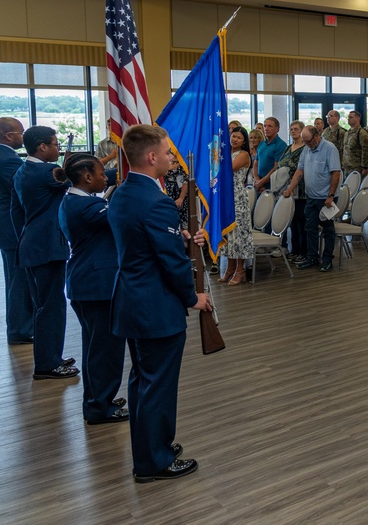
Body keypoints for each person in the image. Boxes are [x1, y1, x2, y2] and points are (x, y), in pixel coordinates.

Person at [109, 124, 211, 483]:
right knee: (158, 388)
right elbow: (171, 264)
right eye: (168, 153)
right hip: (155, 307)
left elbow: (145, 245)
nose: (171, 158)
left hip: (132, 301)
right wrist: (192, 297)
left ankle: (151, 447)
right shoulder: (157, 202)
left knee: (142, 382)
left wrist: (180, 236)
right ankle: (154, 461)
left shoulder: (123, 193)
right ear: (152, 157)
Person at [58, 154, 126, 424]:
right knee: (105, 351)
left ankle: (99, 398)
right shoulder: (86, 207)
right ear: (87, 177)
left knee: (95, 348)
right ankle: (100, 407)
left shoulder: (73, 199)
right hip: (96, 286)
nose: (105, 177)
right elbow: (120, 214)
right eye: (100, 173)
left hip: (85, 283)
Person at [13, 125, 77, 380]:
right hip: (46, 247)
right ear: (42, 147)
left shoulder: (23, 170)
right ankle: (48, 365)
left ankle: (49, 356)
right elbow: (81, 178)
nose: (58, 148)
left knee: (44, 306)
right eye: (55, 144)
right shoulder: (45, 172)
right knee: (51, 307)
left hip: (33, 244)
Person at [0, 116, 34, 345]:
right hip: (12, 228)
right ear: (8, 136)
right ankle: (21, 329)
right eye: (20, 132)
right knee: (19, 282)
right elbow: (25, 189)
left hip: (6, 227)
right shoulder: (7, 160)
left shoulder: (0, 156)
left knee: (17, 280)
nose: (23, 136)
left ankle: (22, 326)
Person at [282, 126, 341, 273]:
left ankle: (327, 259)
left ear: (316, 136)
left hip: (326, 198)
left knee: (327, 229)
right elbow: (299, 170)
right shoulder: (306, 149)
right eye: (305, 142)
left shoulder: (330, 148)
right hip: (311, 197)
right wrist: (290, 189)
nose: (307, 144)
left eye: (308, 141)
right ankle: (312, 257)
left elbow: (335, 173)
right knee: (310, 228)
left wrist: (331, 195)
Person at [219, 126, 254, 285]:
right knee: (229, 235)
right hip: (226, 196)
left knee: (239, 235)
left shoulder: (244, 154)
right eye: (233, 136)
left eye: (239, 138)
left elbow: (229, 168)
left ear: (244, 141)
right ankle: (230, 268)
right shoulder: (226, 153)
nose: (234, 140)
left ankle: (241, 271)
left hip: (237, 197)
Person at [277, 121, 307, 261]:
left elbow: (301, 169)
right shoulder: (289, 148)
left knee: (301, 222)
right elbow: (281, 163)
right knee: (293, 222)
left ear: (302, 131)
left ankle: (303, 251)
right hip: (287, 190)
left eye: (296, 129)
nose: (293, 131)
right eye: (291, 129)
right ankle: (294, 250)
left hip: (301, 189)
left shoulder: (305, 149)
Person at [254, 117, 287, 193]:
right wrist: (257, 180)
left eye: (270, 126)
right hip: (258, 184)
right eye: (265, 126)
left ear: (277, 129)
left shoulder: (281, 145)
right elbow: (255, 164)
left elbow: (276, 168)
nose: (266, 128)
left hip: (271, 185)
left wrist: (262, 182)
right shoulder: (262, 144)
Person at [342, 110, 368, 178]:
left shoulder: (361, 133)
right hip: (347, 168)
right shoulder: (347, 132)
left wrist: (365, 167)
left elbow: (367, 150)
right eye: (348, 117)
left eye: (351, 117)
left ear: (357, 118)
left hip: (357, 168)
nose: (348, 119)